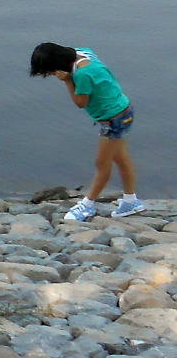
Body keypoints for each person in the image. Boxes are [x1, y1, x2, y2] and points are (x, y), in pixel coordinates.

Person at [29, 41, 143, 223]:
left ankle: (87, 205)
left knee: (101, 164)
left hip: (113, 120)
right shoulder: (82, 52)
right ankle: (131, 201)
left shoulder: (81, 74)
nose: (51, 75)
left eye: (50, 71)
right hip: (124, 110)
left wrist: (67, 81)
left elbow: (80, 102)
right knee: (121, 159)